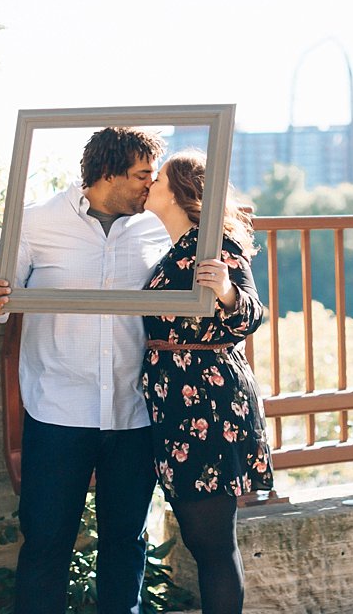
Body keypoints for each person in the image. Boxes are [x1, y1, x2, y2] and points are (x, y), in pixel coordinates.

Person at [0, 127, 172, 614]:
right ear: (107, 173)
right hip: (59, 410)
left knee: (126, 543)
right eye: (143, 175)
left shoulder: (156, 228)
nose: (153, 185)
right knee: (45, 542)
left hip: (134, 412)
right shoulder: (36, 223)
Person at [140, 149, 272, 614]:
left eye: (157, 178)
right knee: (203, 542)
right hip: (176, 405)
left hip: (208, 405)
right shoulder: (174, 247)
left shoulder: (215, 244)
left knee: (212, 546)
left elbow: (252, 313)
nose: (148, 182)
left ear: (179, 192)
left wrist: (227, 291)